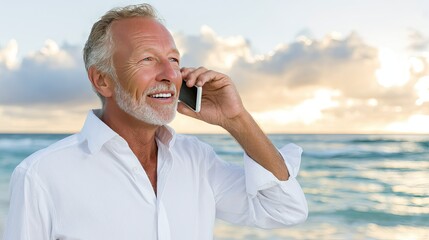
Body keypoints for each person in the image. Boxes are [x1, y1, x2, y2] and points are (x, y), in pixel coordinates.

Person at [3, 3, 307, 240]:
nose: (168, 74)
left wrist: (236, 120)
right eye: (147, 59)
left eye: (174, 60)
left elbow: (284, 209)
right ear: (102, 80)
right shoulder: (41, 175)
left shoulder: (197, 160)